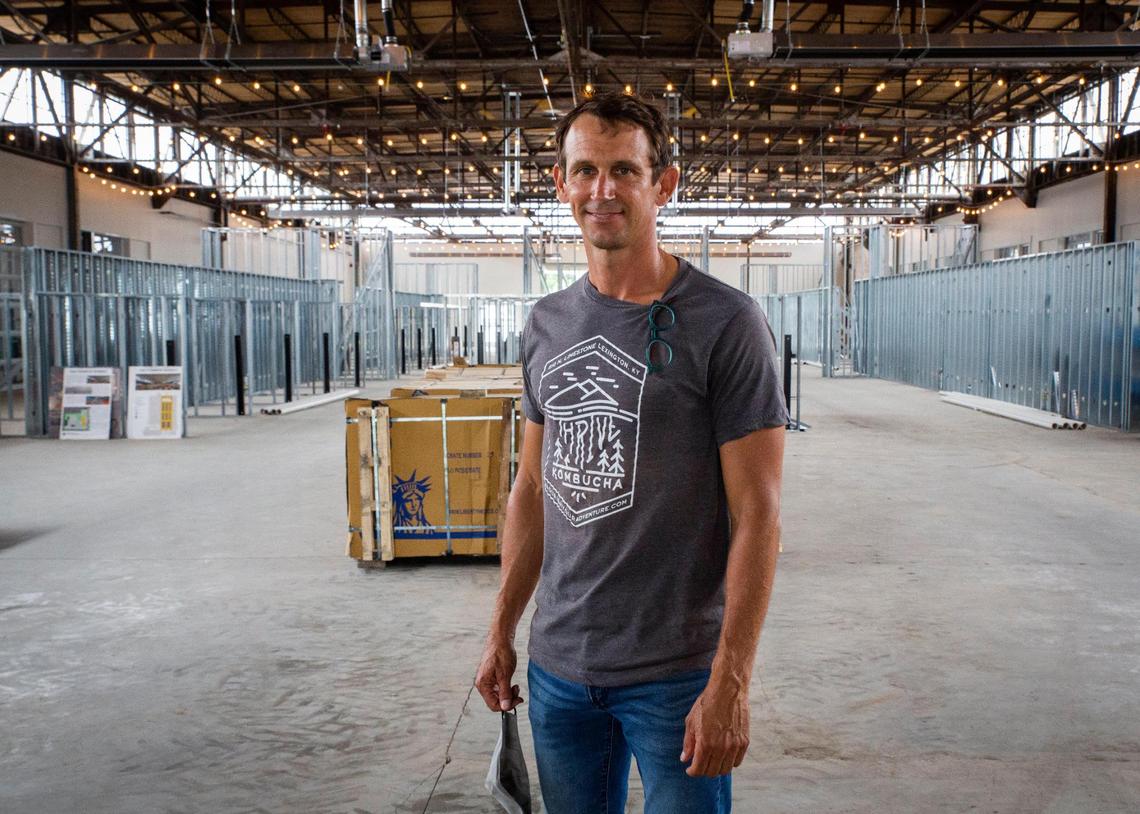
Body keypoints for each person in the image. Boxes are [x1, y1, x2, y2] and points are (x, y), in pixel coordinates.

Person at [475, 91, 787, 814]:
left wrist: (731, 681)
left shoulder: (726, 323)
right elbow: (530, 487)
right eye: (584, 171)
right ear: (560, 183)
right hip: (558, 670)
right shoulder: (546, 323)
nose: (602, 190)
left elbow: (759, 514)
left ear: (663, 184)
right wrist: (501, 630)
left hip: (675, 675)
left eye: (624, 170)